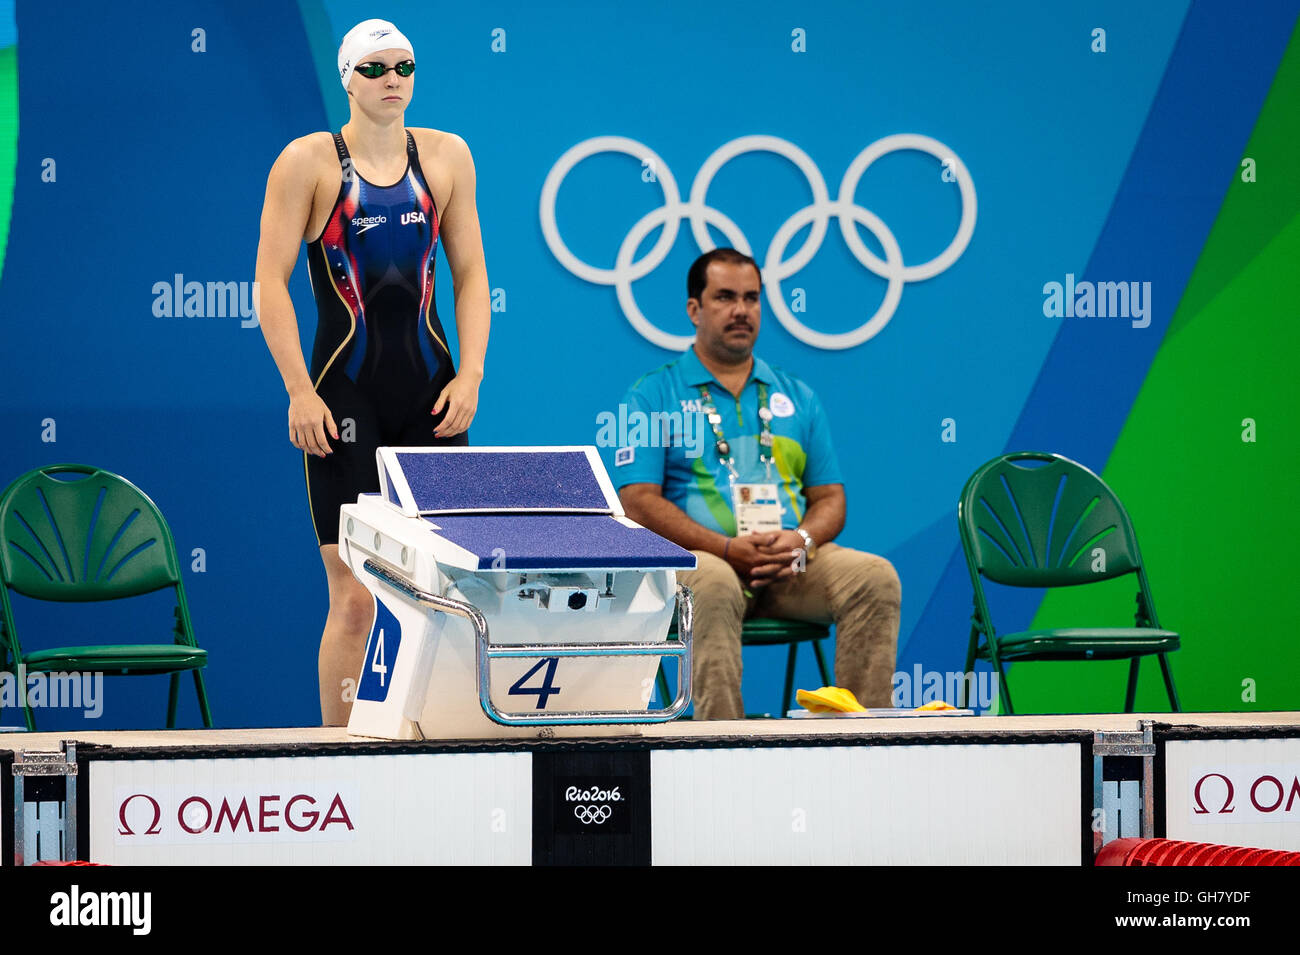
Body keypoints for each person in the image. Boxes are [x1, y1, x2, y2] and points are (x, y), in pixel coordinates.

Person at [254, 19, 490, 725]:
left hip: (431, 396)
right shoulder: (310, 162)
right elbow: (269, 280)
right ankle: (341, 755)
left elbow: (472, 275)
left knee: (445, 589)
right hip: (341, 398)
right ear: (348, 78)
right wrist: (299, 388)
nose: (394, 79)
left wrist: (471, 375)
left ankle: (439, 733)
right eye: (377, 67)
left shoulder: (447, 157)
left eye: (405, 66)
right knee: (355, 595)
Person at [614, 248, 899, 719]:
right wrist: (725, 548)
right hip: (704, 564)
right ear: (694, 309)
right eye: (725, 297)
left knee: (874, 578)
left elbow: (830, 498)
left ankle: (861, 746)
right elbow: (638, 503)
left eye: (751, 298)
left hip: (790, 565)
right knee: (715, 583)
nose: (741, 310)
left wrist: (801, 540)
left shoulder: (796, 394)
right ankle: (723, 748)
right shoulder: (650, 395)